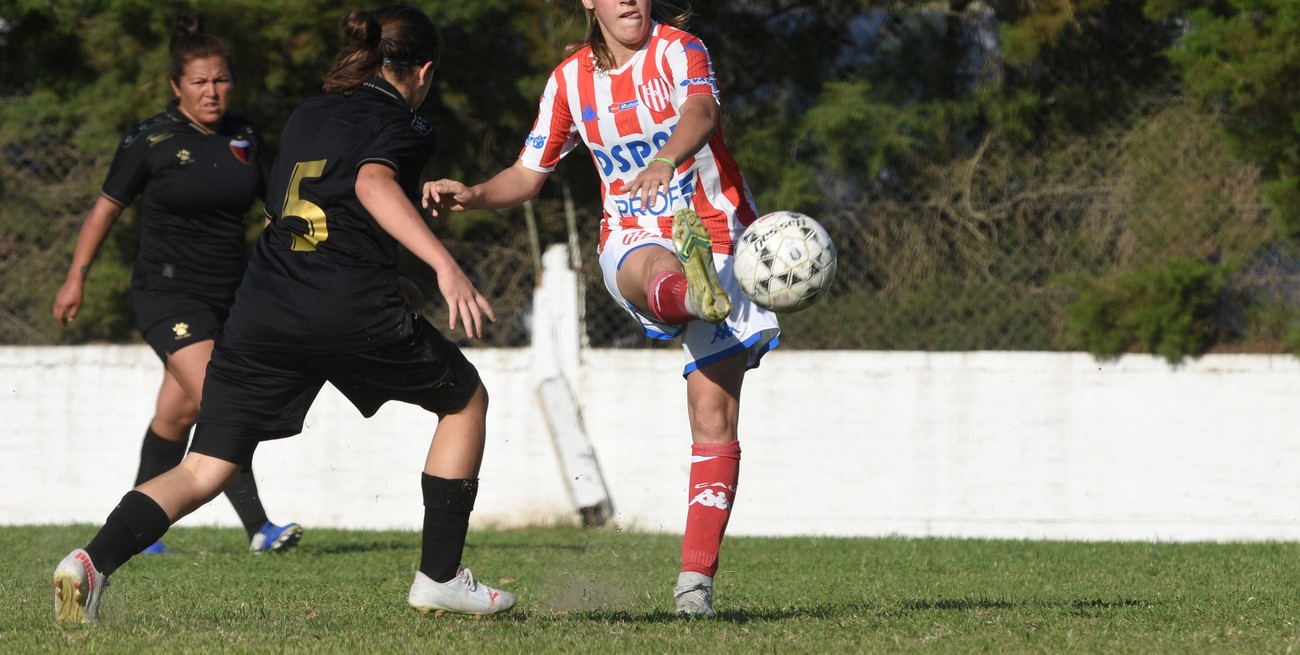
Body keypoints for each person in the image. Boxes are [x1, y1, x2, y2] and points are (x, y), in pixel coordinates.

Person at [52, 4, 517, 624]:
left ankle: (92, 561)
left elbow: (287, 218)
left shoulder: (310, 112)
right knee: (464, 400)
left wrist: (388, 273)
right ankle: (439, 577)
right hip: (347, 309)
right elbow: (373, 185)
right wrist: (442, 265)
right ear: (423, 70)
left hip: (265, 306)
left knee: (204, 465)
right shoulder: (407, 123)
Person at [423, 0, 779, 617]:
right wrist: (474, 194)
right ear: (590, 2)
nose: (630, 2)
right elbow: (528, 174)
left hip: (720, 235)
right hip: (633, 237)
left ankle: (695, 585)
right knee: (658, 267)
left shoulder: (680, 50)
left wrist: (666, 159)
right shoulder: (569, 81)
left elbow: (701, 110)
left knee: (712, 417)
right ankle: (690, 295)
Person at [51, 15, 301, 556]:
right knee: (224, 401)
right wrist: (76, 277)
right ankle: (259, 526)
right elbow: (104, 211)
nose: (213, 92)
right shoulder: (150, 139)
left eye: (221, 80)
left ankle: (138, 529)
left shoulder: (246, 135)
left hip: (229, 297)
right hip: (167, 295)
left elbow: (275, 210)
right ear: (175, 86)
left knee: (178, 414)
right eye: (199, 82)